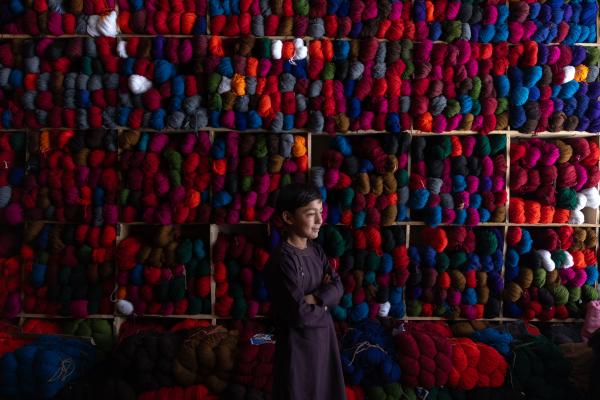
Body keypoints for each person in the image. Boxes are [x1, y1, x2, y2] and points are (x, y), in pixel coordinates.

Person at [265, 183, 346, 400]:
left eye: (320, 212)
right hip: (298, 350)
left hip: (324, 342)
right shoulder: (283, 261)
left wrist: (317, 298)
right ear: (288, 218)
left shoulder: (316, 250)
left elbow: (338, 287)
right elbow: (299, 314)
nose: (320, 220)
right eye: (311, 214)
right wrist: (326, 299)